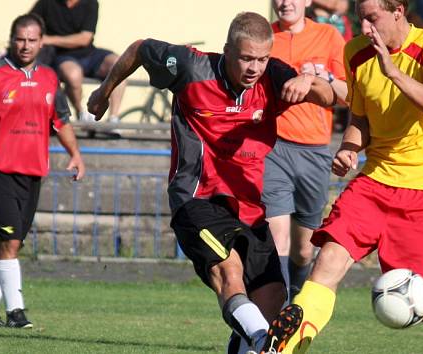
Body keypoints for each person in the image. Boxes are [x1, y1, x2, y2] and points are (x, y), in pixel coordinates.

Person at [87, 12, 334, 354]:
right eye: (247, 58)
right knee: (229, 273)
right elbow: (141, 49)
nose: (254, 68)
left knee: (272, 298)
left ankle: (257, 342)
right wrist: (104, 90)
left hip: (249, 206)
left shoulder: (274, 76)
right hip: (198, 200)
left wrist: (309, 81)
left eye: (261, 59)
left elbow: (331, 97)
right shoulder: (191, 67)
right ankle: (266, 343)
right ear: (227, 51)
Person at [262, 0, 423, 353]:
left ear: (398, 11)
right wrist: (349, 147)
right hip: (374, 181)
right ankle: (281, 349)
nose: (365, 28)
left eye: (372, 18)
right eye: (360, 18)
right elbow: (360, 118)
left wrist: (392, 70)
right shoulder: (356, 52)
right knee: (325, 265)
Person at [0, 14, 85, 328]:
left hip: (33, 170)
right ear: (11, 40)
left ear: (41, 42)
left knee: (11, 245)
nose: (26, 46)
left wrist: (76, 154)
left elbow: (60, 121)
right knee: (9, 242)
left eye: (32, 40)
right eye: (20, 39)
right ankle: (16, 312)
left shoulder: (50, 78)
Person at [264, 0, 347, 303]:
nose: (285, 2)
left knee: (303, 249)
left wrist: (316, 78)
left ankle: (295, 291)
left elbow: (349, 95)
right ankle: (279, 313)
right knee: (277, 238)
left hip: (314, 152)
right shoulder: (264, 37)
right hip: (273, 147)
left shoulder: (328, 36)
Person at [30, 0, 125, 122]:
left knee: (119, 65)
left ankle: (113, 119)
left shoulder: (91, 3)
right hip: (62, 56)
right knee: (73, 74)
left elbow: (85, 39)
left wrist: (50, 39)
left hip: (90, 53)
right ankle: (82, 114)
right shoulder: (47, 3)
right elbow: (29, 24)